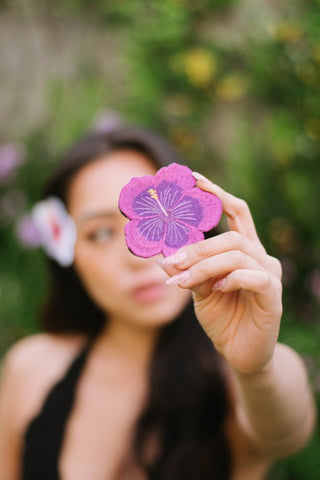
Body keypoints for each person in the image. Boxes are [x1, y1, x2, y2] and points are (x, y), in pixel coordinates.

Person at [0, 126, 315, 480]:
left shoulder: (231, 387)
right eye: (101, 233)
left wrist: (258, 368)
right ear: (67, 253)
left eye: (162, 211)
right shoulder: (31, 368)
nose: (137, 257)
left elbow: (287, 432)